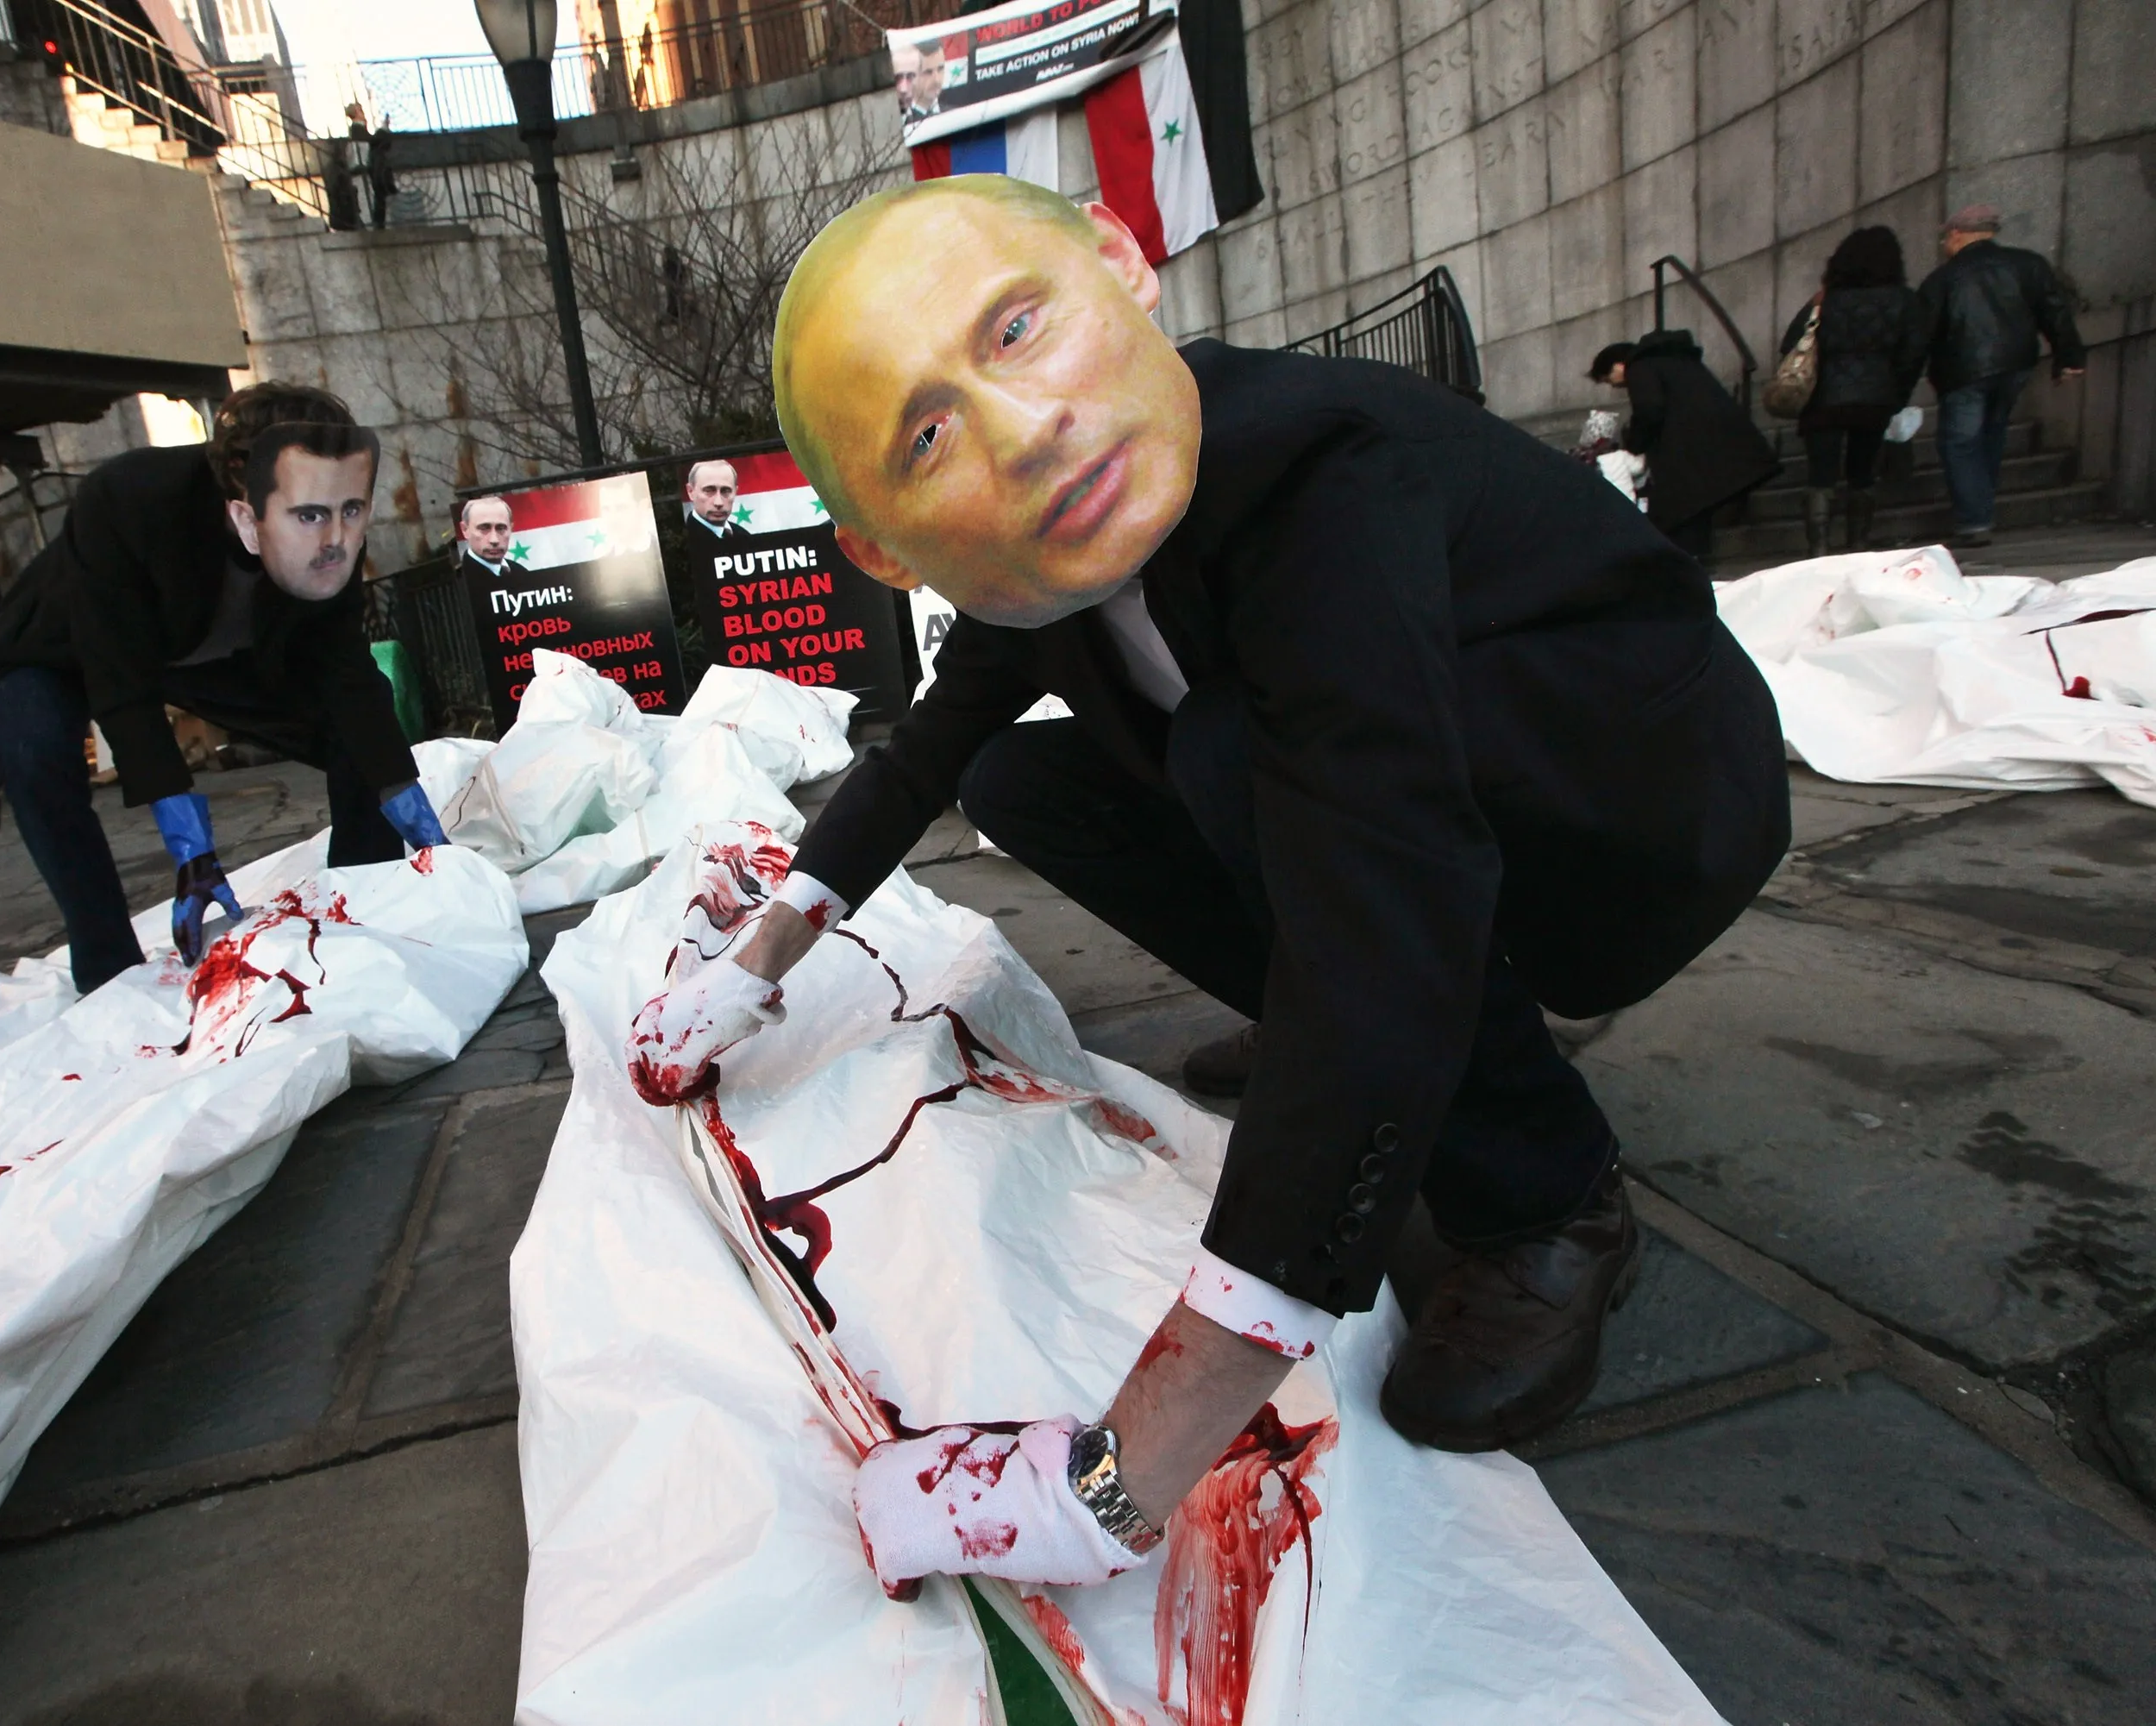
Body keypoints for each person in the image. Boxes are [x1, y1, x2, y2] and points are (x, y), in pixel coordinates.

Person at [621, 178, 1789, 1594]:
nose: (1026, 429)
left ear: (1120, 261)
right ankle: (1344, 1026)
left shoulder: (1319, 472)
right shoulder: (1035, 562)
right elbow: (921, 755)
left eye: (1019, 328)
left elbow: (1386, 881)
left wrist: (1110, 1486)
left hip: (1637, 800)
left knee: (1253, 768)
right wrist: (745, 973)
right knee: (1019, 782)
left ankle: (1553, 1194)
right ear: (880, 546)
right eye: (929, 437)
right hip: (1394, 813)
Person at [0, 385, 449, 995]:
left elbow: (344, 669)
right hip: (69, 648)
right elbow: (118, 675)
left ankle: (360, 906)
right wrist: (188, 839)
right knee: (31, 748)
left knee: (360, 731)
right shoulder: (130, 497)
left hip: (211, 656)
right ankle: (106, 965)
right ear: (240, 482)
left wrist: (399, 788)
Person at [1918, 204, 2085, 549]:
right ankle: (1980, 509)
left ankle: (1974, 520)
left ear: (1956, 235)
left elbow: (1921, 334)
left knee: (1960, 443)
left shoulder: (1943, 279)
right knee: (1992, 435)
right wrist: (2069, 356)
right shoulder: (2029, 264)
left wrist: (1903, 381)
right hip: (2016, 365)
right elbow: (2054, 313)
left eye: (1945, 238)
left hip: (1962, 370)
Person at [1778, 225, 1933, 556]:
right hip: (1874, 398)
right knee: (1862, 472)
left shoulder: (1823, 301)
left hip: (1822, 398)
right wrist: (1897, 393)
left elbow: (1790, 344)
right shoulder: (1904, 301)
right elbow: (1914, 352)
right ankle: (1858, 543)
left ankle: (1819, 547)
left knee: (1821, 475)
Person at [1589, 332, 1779, 565]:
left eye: (1609, 378)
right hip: (1713, 441)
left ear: (1618, 364)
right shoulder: (1675, 359)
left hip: (1687, 449)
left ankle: (1690, 564)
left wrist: (1635, 442)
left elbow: (1650, 410)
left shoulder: (1640, 367)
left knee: (1682, 509)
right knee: (1698, 505)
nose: (1614, 384)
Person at [456, 494, 524, 581]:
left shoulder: (520, 572)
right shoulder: (459, 580)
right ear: (465, 529)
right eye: (484, 528)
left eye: (501, 528)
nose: (494, 540)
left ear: (511, 529)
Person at [683, 459, 749, 539]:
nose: (719, 503)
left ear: (735, 492)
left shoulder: (743, 534)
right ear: (690, 491)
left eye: (726, 491)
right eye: (709, 490)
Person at [367, 120, 398, 230]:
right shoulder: (380, 154)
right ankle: (379, 225)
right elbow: (381, 171)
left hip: (379, 182)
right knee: (380, 204)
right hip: (380, 183)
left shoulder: (375, 152)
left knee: (380, 203)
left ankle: (379, 224)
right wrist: (388, 184)